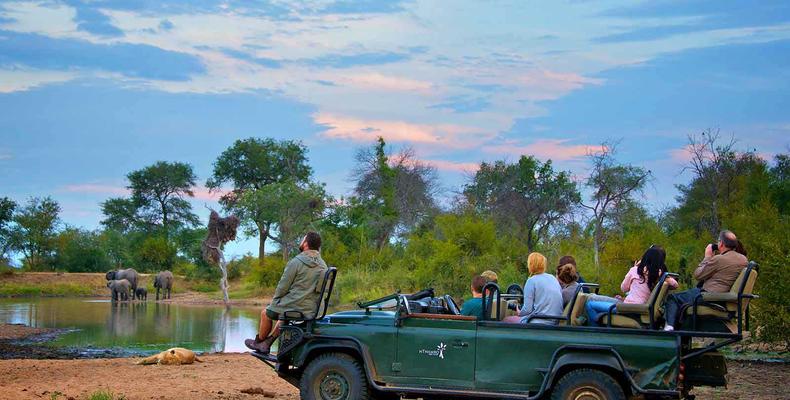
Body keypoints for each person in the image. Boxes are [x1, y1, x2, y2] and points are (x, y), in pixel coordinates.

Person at [245, 232, 328, 353]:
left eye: (302, 239)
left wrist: (275, 303)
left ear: (305, 244)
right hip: (314, 309)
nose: (301, 241)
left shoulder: (296, 262)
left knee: (265, 313)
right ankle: (267, 343)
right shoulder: (323, 265)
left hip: (299, 308)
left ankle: (258, 342)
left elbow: (282, 287)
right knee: (284, 314)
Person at [663, 230, 747, 331]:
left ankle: (669, 327)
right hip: (724, 298)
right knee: (686, 296)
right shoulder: (743, 259)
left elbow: (698, 275)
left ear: (721, 243)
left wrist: (707, 257)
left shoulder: (719, 259)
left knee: (673, 298)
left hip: (709, 296)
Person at [585, 245, 677, 326]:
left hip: (627, 308)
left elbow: (623, 288)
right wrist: (664, 276)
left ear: (644, 258)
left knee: (590, 305)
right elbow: (675, 285)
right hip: (640, 309)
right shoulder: (659, 276)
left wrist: (635, 267)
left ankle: (597, 333)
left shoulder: (635, 270)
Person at [517, 252, 564, 325]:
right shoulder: (552, 278)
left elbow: (527, 309)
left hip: (538, 322)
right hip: (556, 321)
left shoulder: (531, 281)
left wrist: (519, 312)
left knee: (508, 319)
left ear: (530, 264)